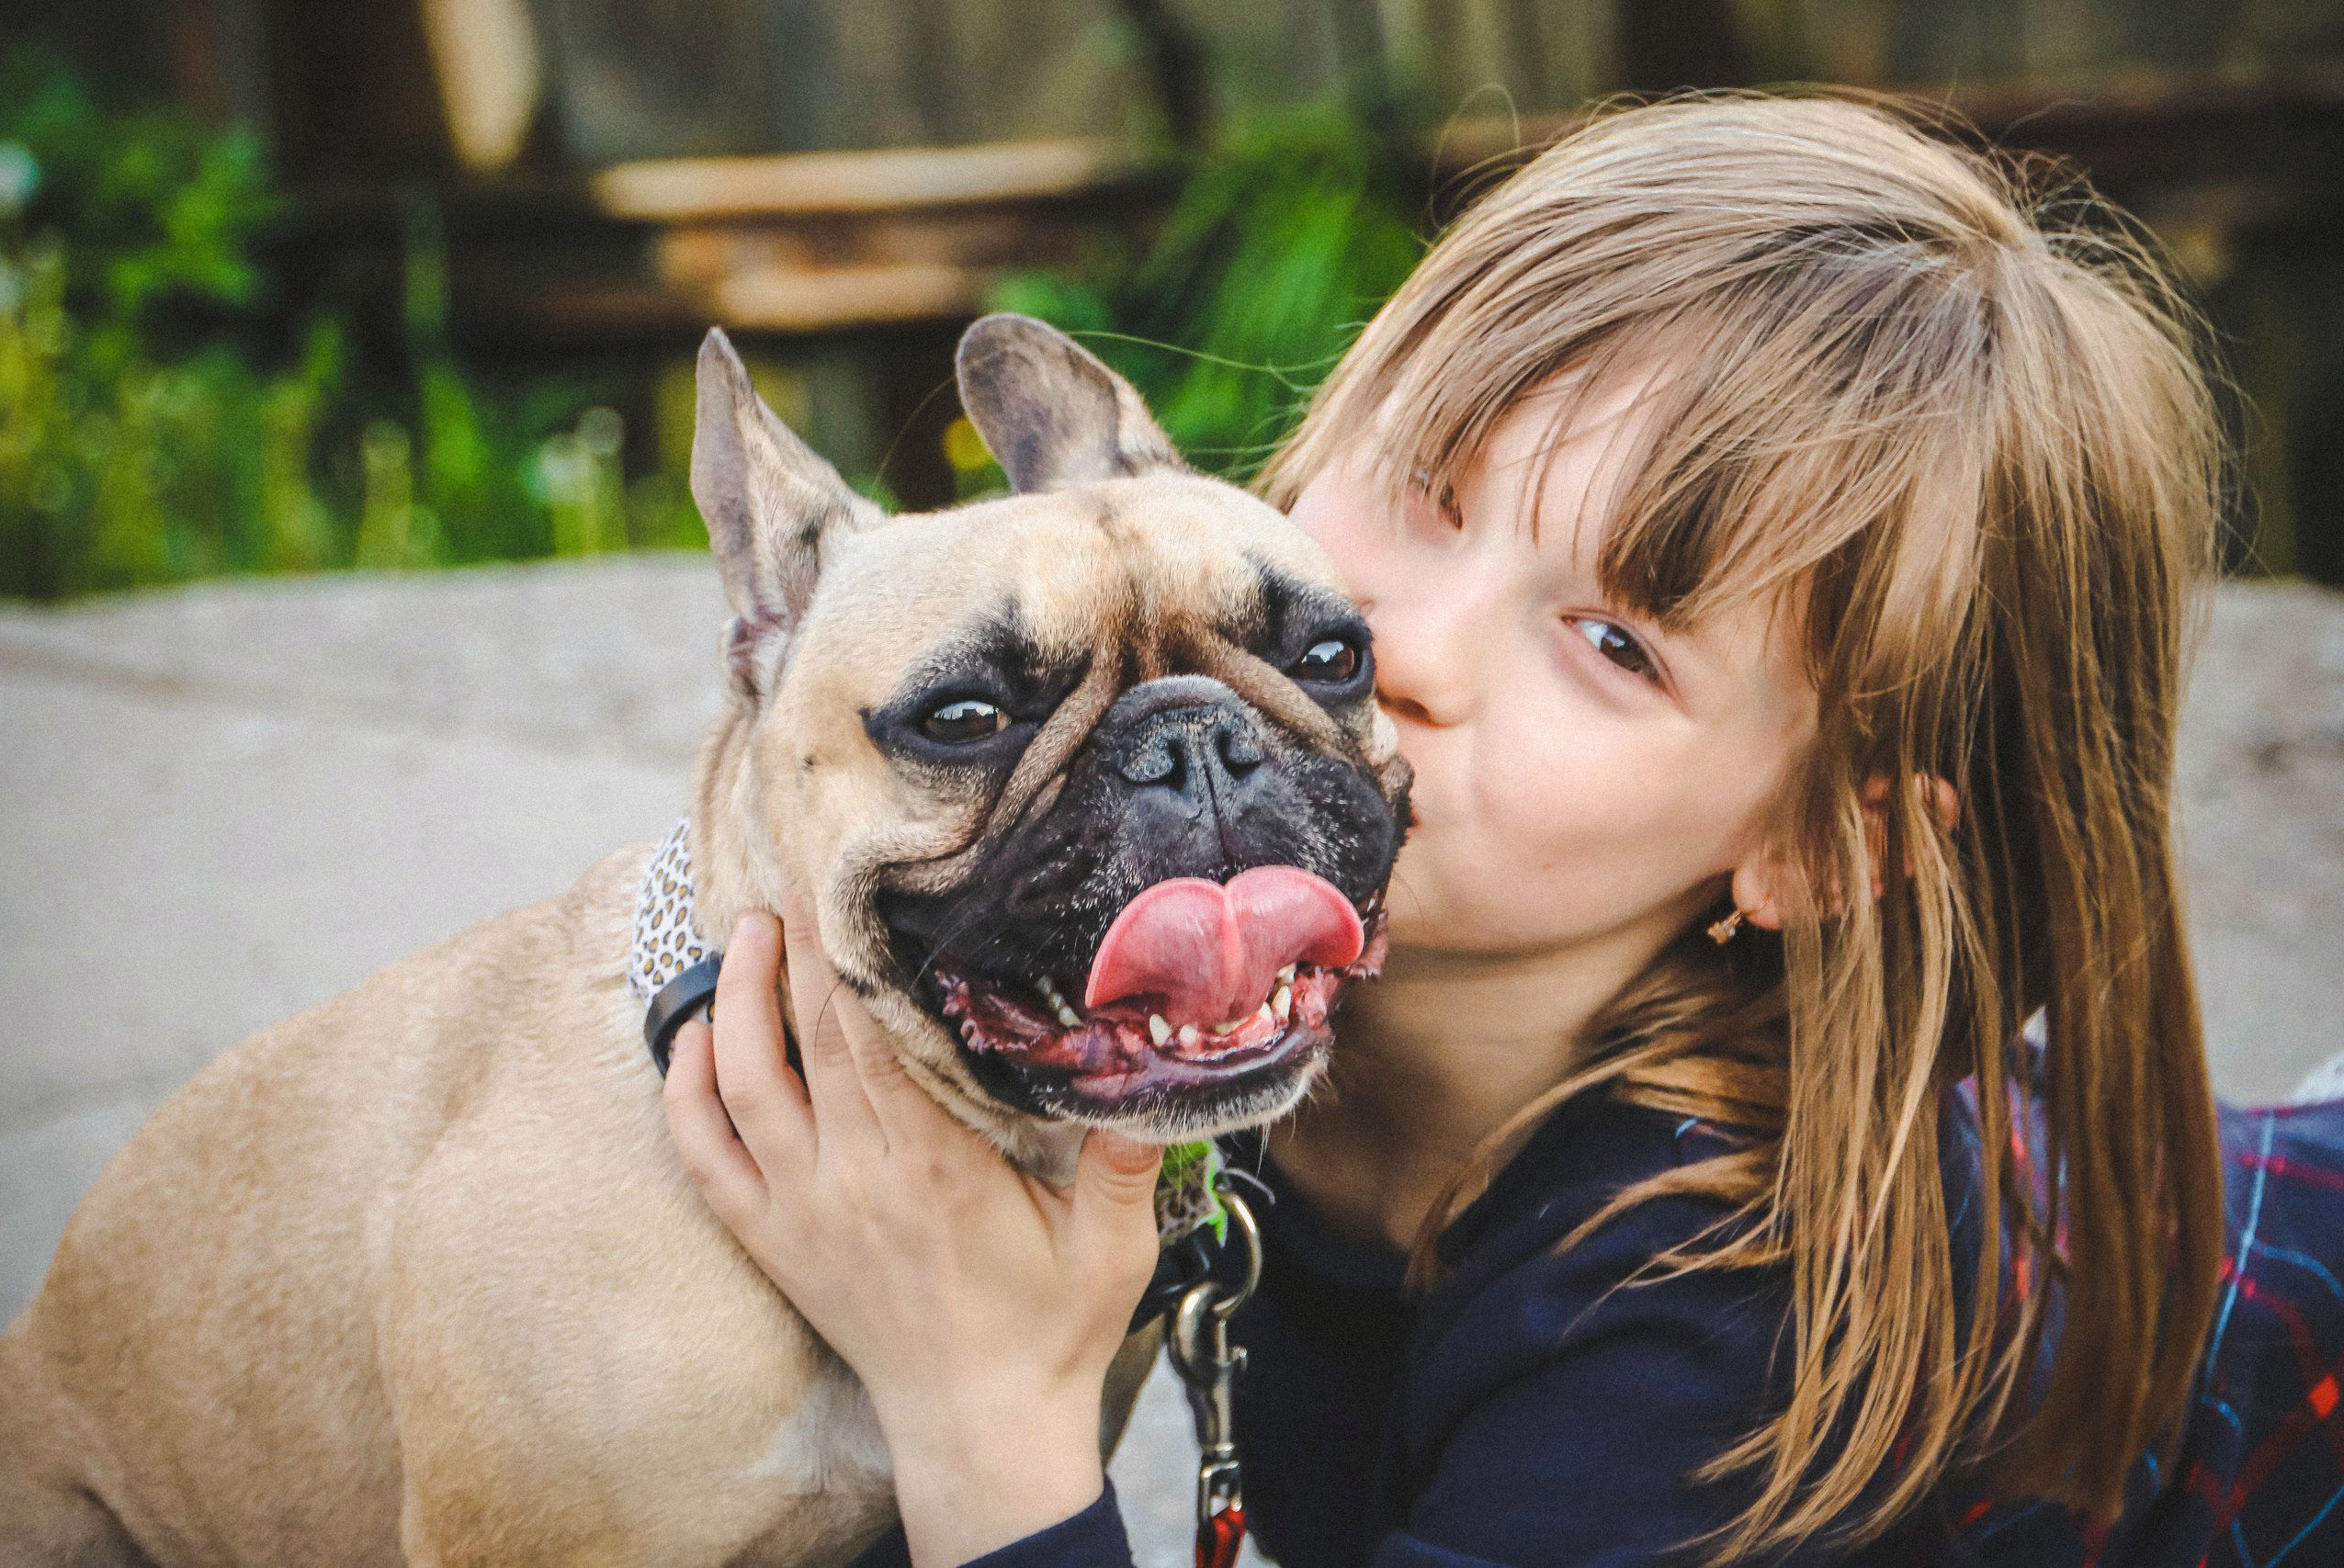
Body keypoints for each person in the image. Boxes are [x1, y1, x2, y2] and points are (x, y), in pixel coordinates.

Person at [658, 94, 2344, 1566]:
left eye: (1616, 647)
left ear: (1826, 845)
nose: (1417, 649)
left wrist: (987, 1423)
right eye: (1427, 495)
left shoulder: (1708, 1332)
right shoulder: (1222, 958)